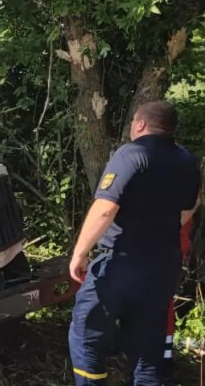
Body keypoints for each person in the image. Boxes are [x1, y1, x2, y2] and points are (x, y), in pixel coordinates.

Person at [67, 101, 200, 385]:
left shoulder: (130, 154)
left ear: (140, 124)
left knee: (86, 337)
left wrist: (80, 253)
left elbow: (105, 208)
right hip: (163, 266)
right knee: (147, 350)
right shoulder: (186, 160)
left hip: (121, 263)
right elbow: (189, 207)